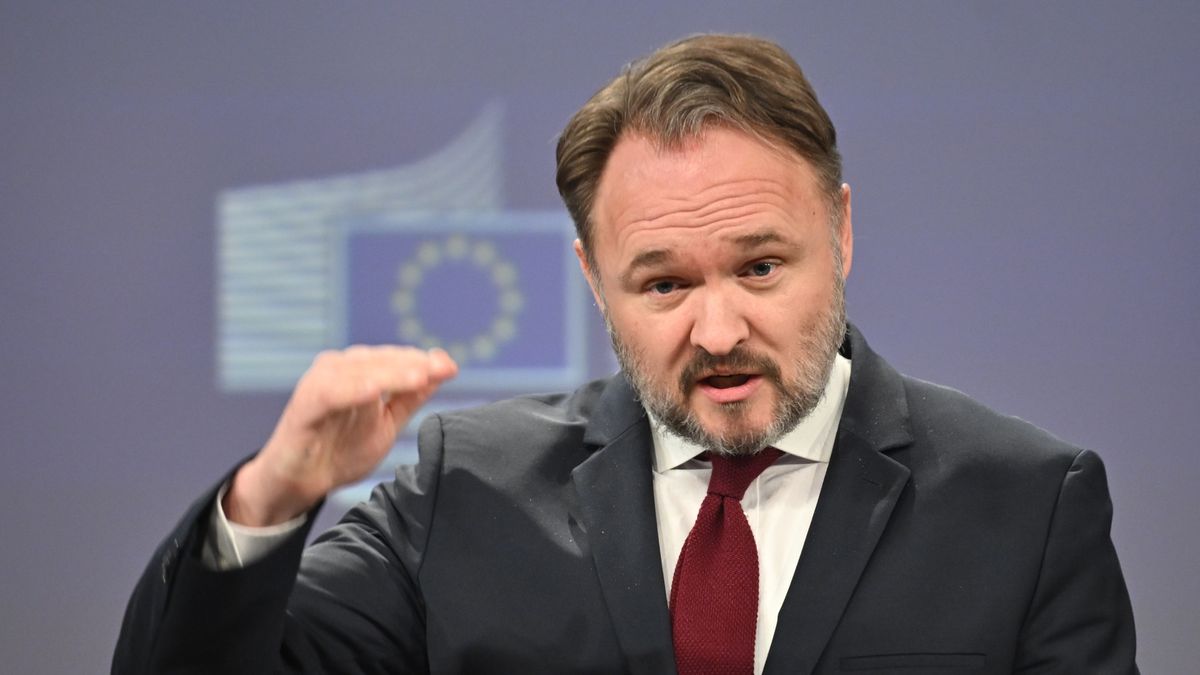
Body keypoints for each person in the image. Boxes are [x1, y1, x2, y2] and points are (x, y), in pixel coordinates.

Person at [113, 34, 1137, 674]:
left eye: (762, 267)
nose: (719, 328)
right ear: (594, 280)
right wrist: (269, 501)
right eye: (664, 284)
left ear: (842, 235)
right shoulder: (461, 489)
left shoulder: (1028, 503)